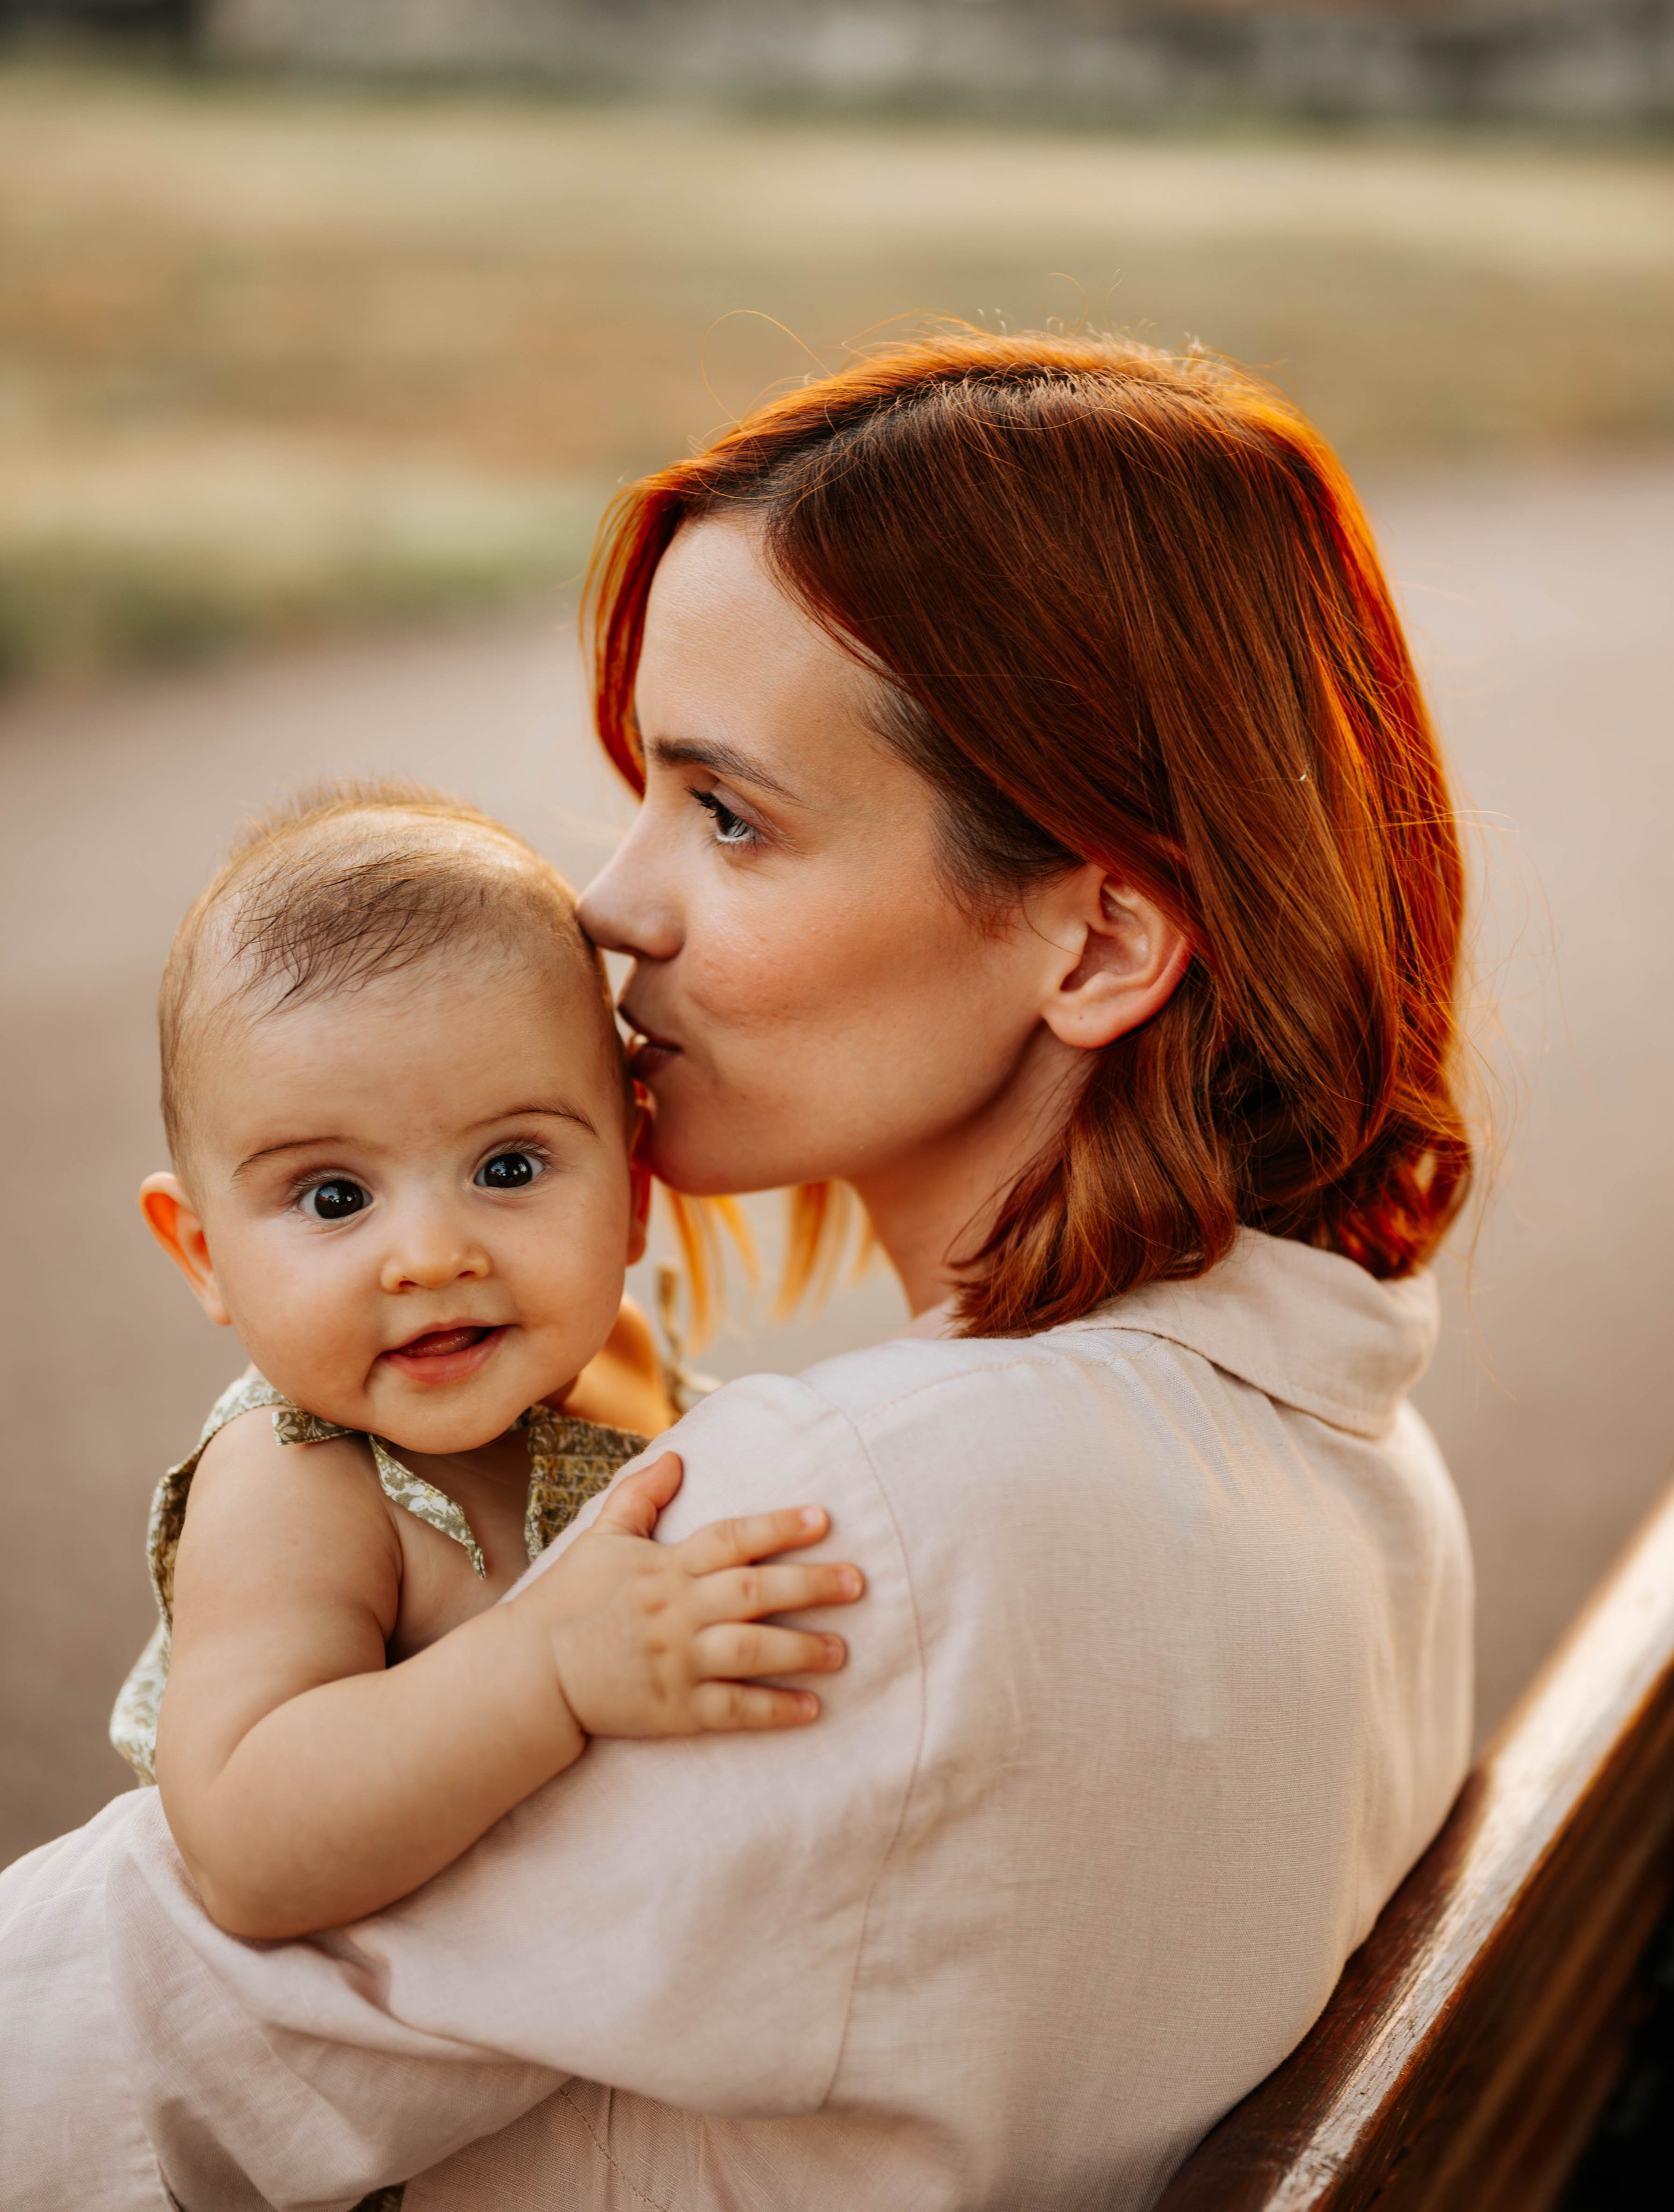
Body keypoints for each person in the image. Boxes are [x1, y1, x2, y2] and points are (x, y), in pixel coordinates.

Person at [0, 333, 1475, 2212]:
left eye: (730, 815)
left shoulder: (849, 1529)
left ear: (1099, 940)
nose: (611, 902)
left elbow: (101, 2064)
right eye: (639, 792)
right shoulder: (1349, 1449)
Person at [112, 781, 861, 1942]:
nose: (428, 1256)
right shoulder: (296, 1482)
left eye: (509, 1168)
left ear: (632, 1193)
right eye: (334, 1196)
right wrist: (547, 1666)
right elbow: (249, 1848)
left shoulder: (620, 1361)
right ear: (202, 1254)